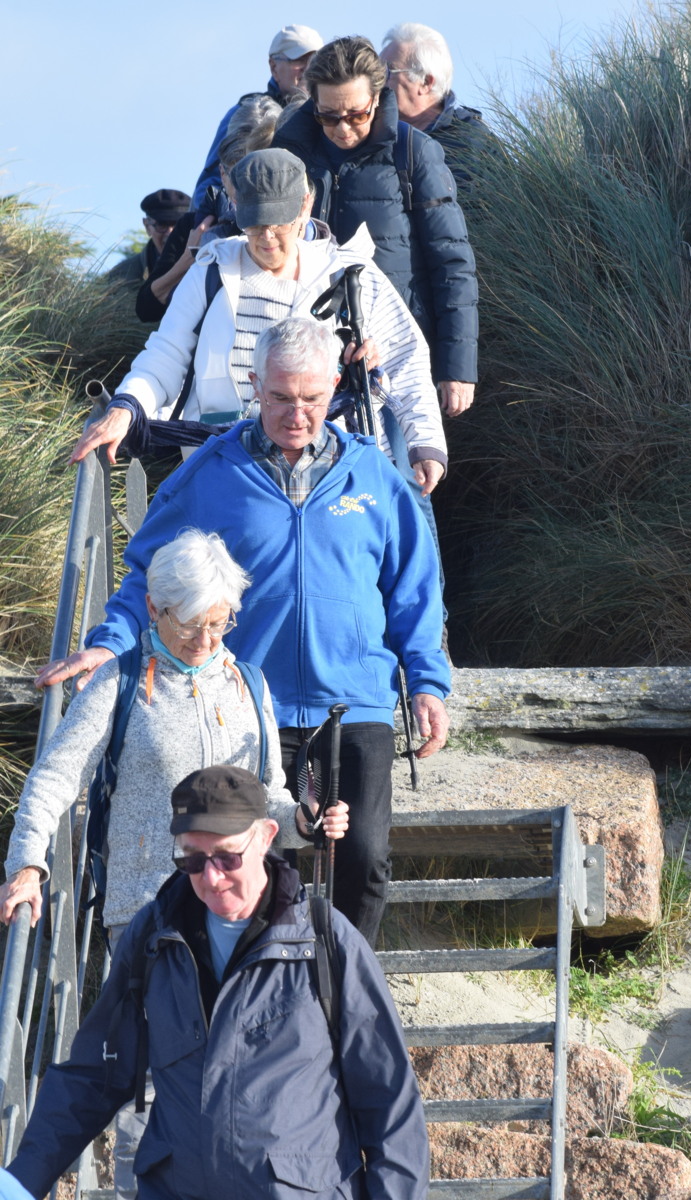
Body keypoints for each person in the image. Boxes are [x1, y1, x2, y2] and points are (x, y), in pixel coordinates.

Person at [39, 318, 450, 947]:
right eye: (280, 396)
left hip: (356, 703)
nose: (296, 414)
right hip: (250, 706)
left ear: (335, 388)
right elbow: (150, 574)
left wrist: (427, 682)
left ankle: (341, 987)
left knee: (363, 862)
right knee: (258, 871)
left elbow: (415, 588)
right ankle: (266, 990)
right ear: (255, 385)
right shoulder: (212, 471)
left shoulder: (373, 474)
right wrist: (111, 642)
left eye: (312, 398)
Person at [2, 529, 347, 1200]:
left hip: (242, 916)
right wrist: (29, 865)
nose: (206, 639)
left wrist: (305, 820)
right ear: (154, 608)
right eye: (191, 625)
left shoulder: (249, 683)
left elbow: (269, 796)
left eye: (219, 624)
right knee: (151, 1081)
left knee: (241, 1084)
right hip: (148, 919)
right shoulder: (119, 682)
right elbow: (55, 777)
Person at [3, 764, 429, 1200]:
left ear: (266, 836)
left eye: (227, 857)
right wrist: (20, 1183)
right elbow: (95, 1074)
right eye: (191, 859)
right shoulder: (153, 937)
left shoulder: (326, 941)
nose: (211, 877)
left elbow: (389, 1103)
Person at [71, 149, 448, 508]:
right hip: (225, 469)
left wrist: (426, 444)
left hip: (332, 474)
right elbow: (165, 355)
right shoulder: (210, 271)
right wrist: (126, 407)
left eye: (278, 223)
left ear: (305, 206)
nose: (266, 237)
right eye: (254, 223)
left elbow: (407, 361)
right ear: (236, 206)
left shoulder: (350, 274)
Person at [272, 35, 478, 417]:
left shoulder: (414, 152)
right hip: (302, 365)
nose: (343, 129)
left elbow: (452, 264)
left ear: (378, 98)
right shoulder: (285, 157)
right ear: (312, 103)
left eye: (357, 115)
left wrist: (457, 369)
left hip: (396, 361)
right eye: (328, 116)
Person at [135, 99, 282, 323]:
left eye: (261, 175)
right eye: (238, 175)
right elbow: (146, 309)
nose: (248, 188)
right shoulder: (196, 227)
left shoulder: (302, 223)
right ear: (222, 173)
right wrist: (189, 258)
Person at [192, 24, 323, 210]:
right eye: (299, 60)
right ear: (273, 66)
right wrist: (213, 216)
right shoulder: (246, 113)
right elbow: (210, 182)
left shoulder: (332, 116)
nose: (307, 68)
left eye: (315, 60)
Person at [380, 23, 492, 185]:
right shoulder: (366, 133)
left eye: (388, 71)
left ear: (426, 82)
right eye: (376, 70)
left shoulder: (471, 141)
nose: (376, 80)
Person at [106, 189, 191, 287]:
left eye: (178, 225)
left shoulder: (204, 266)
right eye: (162, 225)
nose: (170, 233)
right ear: (147, 226)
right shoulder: (122, 276)